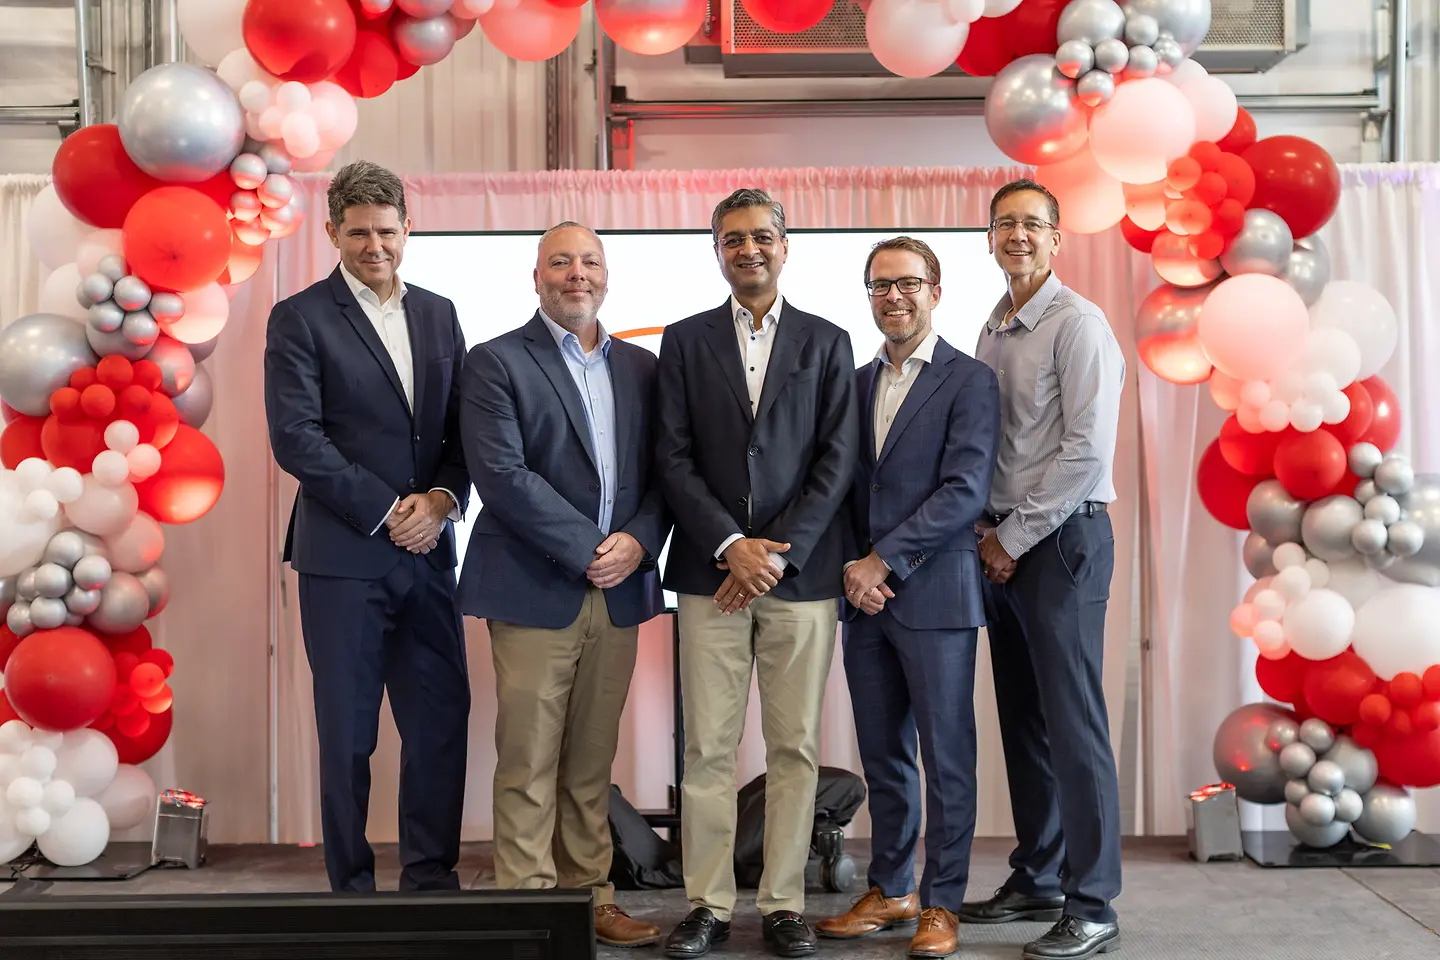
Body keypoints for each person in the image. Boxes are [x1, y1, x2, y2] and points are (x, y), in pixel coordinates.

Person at [655, 189, 859, 959]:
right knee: (706, 748)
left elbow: (837, 462)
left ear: (785, 245)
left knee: (794, 746)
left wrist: (775, 553)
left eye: (762, 237)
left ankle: (782, 904)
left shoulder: (828, 341)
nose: (749, 249)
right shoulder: (683, 340)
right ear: (717, 250)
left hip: (800, 579)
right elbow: (669, 456)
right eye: (733, 239)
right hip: (712, 576)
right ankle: (706, 903)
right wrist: (730, 543)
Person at [456, 222, 670, 948]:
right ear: (536, 275)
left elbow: (664, 474)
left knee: (589, 761)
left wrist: (637, 541)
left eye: (589, 261)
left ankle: (590, 897)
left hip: (619, 591)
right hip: (533, 588)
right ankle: (527, 908)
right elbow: (502, 477)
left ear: (606, 275)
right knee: (528, 757)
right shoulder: (494, 363)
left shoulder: (642, 368)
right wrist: (589, 549)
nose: (576, 274)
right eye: (561, 262)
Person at [263, 160, 471, 893]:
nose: (374, 245)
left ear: (408, 229)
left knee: (441, 722)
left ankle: (430, 879)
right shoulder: (300, 317)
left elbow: (460, 431)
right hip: (343, 558)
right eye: (358, 232)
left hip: (429, 553)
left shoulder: (440, 313)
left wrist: (442, 500)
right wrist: (391, 511)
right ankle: (350, 888)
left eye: (387, 230)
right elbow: (296, 437)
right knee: (349, 734)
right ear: (332, 233)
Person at [817, 237, 999, 958]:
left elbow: (966, 490)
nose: (893, 296)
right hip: (865, 604)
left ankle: (942, 902)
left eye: (908, 283)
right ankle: (892, 888)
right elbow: (839, 489)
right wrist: (851, 571)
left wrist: (882, 560)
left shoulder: (971, 380)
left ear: (936, 291)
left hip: (936, 595)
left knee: (946, 755)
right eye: (880, 285)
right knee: (884, 755)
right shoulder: (853, 383)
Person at [959, 179, 1126, 960]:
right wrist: (990, 536)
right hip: (1004, 546)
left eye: (1032, 224)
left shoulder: (1078, 323)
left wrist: (1013, 537)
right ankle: (1038, 876)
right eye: (1005, 224)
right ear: (988, 238)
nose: (1017, 235)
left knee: (1074, 726)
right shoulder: (994, 326)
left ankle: (1093, 905)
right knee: (1024, 720)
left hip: (1059, 544)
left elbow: (1087, 452)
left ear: (1057, 239)